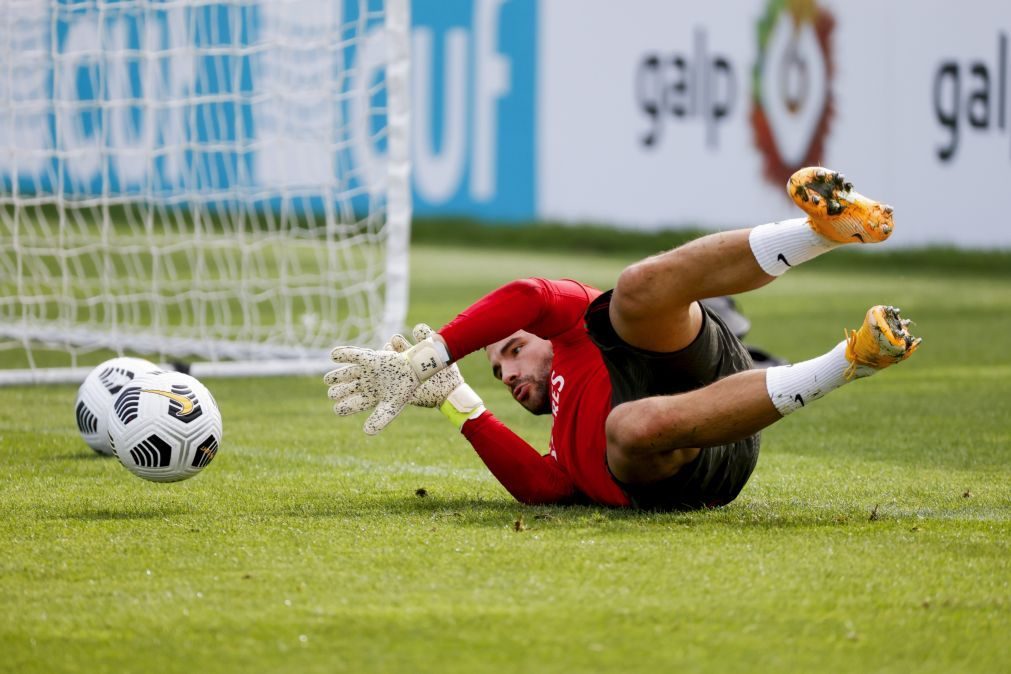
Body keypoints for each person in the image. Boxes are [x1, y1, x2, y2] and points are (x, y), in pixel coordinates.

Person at [325, 167, 920, 511]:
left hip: (698, 365)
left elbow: (528, 296)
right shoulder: (565, 451)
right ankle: (851, 360)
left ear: (542, 338)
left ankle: (825, 229)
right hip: (698, 464)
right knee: (627, 428)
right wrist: (458, 402)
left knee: (633, 288)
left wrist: (431, 355)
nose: (506, 376)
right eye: (497, 374)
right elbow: (536, 487)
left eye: (511, 351)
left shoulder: (573, 324)